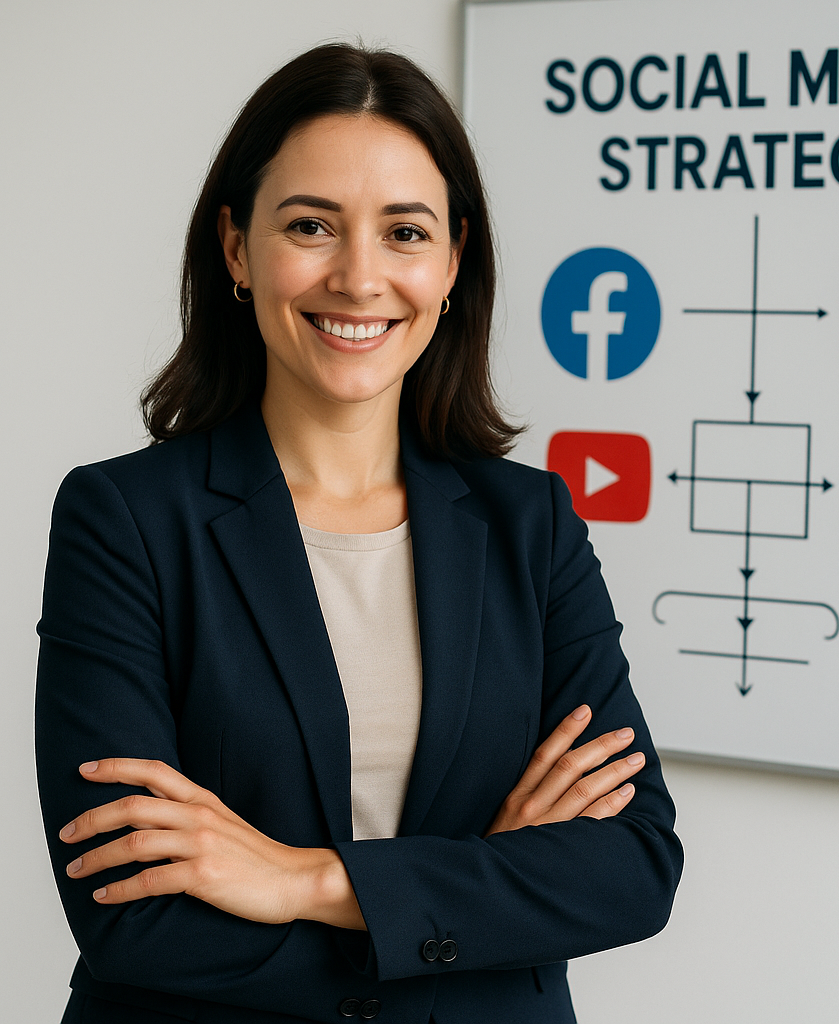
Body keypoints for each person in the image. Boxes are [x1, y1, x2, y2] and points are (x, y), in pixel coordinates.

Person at [35, 42, 682, 1024]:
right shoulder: (124, 520)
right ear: (236, 248)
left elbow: (632, 864)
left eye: (405, 232)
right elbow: (131, 910)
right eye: (311, 226)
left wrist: (302, 878)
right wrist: (478, 886)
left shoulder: (531, 525)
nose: (359, 276)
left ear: (453, 263)